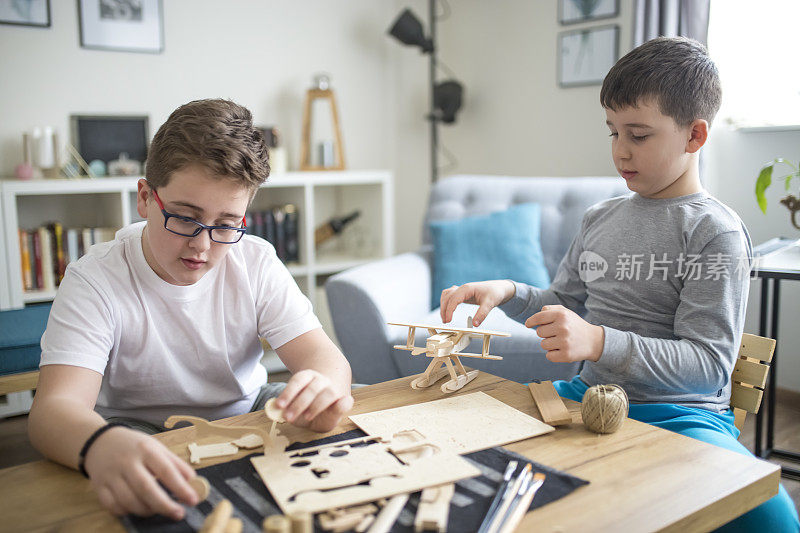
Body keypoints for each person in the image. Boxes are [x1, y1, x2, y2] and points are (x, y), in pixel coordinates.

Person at [439, 37, 799, 531]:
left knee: (773, 516)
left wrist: (597, 340)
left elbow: (708, 366)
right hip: (586, 399)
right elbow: (563, 303)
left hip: (682, 416)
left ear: (694, 136)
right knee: (474, 461)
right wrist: (508, 293)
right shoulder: (599, 218)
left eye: (639, 135)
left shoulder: (714, 231)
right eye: (612, 131)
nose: (620, 150)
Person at [28, 99, 353, 521]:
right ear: (145, 198)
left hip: (247, 407)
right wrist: (97, 446)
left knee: (342, 431)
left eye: (226, 224)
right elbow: (53, 411)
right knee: (149, 501)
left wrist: (323, 385)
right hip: (138, 427)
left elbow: (326, 360)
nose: (202, 245)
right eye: (184, 218)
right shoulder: (95, 279)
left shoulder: (255, 261)